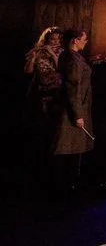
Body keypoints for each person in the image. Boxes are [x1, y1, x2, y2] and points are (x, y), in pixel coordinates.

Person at [52, 29, 94, 191]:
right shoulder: (72, 59)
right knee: (68, 147)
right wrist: (78, 114)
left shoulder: (71, 57)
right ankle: (66, 185)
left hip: (75, 107)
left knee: (72, 148)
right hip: (73, 110)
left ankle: (68, 183)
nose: (86, 42)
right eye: (84, 39)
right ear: (75, 41)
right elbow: (73, 88)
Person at [23, 26, 64, 188]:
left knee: (54, 130)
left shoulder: (61, 52)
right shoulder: (37, 51)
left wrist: (53, 52)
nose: (54, 42)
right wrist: (33, 58)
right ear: (46, 39)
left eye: (57, 40)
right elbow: (27, 72)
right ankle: (39, 167)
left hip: (56, 93)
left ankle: (54, 170)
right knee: (40, 129)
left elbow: (60, 68)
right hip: (41, 94)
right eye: (51, 39)